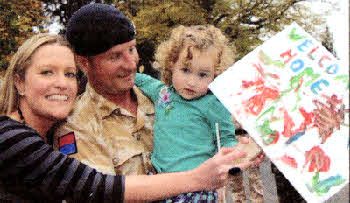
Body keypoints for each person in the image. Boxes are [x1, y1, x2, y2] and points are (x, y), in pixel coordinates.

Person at [0, 33, 255, 202]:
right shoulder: (10, 139)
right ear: (19, 82)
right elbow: (96, 188)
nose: (62, 84)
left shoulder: (47, 132)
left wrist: (240, 152)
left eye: (69, 74)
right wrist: (197, 178)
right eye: (47, 72)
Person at [53, 3, 264, 201]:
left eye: (131, 49)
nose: (131, 64)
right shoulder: (77, 127)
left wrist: (243, 149)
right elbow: (101, 194)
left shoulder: (168, 94)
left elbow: (224, 132)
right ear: (83, 63)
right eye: (115, 56)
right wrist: (196, 179)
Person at [134, 25, 264, 202]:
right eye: (185, 70)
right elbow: (139, 78)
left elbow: (226, 143)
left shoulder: (214, 105)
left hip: (196, 190)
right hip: (159, 185)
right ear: (171, 65)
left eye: (202, 75)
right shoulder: (162, 93)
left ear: (215, 76)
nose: (191, 81)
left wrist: (245, 152)